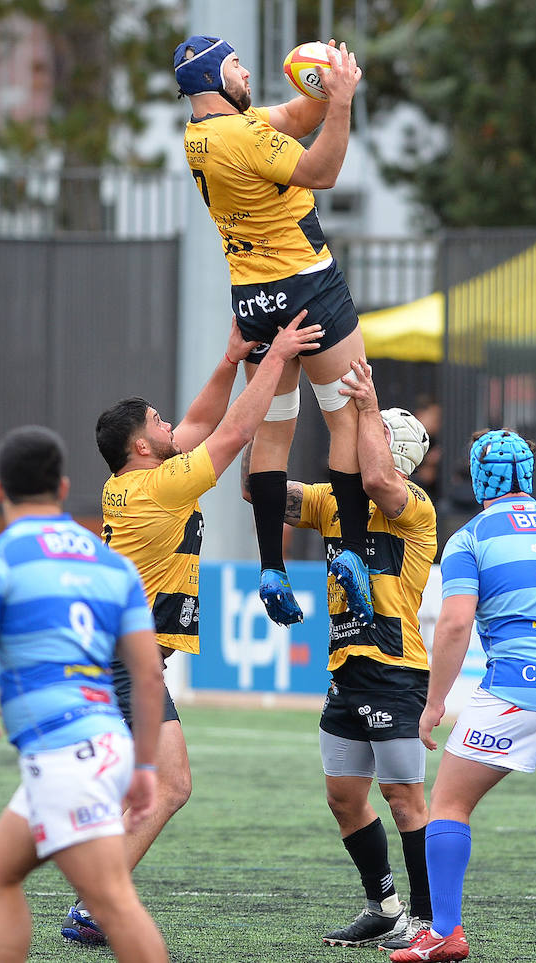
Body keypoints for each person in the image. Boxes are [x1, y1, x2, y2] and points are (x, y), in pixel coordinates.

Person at [59, 315, 320, 946]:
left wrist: (231, 360)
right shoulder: (160, 490)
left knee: (148, 789)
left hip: (120, 659)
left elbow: (200, 428)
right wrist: (278, 356)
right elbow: (230, 435)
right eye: (158, 421)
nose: (172, 425)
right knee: (171, 786)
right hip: (128, 663)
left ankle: (95, 897)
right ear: (143, 447)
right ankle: (98, 905)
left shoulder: (136, 481)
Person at [388, 429, 536, 963]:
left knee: (450, 803)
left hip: (518, 683)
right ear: (529, 473)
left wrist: (433, 706)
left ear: (479, 477)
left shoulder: (472, 538)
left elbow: (454, 625)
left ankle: (445, 933)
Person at [173, 33, 378, 630]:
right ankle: (350, 556)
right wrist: (341, 105)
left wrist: (325, 84)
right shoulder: (241, 135)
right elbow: (323, 169)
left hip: (254, 298)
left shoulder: (205, 134)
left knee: (274, 431)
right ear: (214, 80)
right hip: (309, 285)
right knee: (349, 414)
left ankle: (271, 567)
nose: (246, 74)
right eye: (235, 66)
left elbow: (290, 117)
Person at [0, 426, 169, 963]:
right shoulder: (111, 564)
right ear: (64, 487)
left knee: (111, 900)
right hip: (108, 742)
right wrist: (141, 767)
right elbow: (148, 675)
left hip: (64, 751)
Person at [241, 359, 436, 949]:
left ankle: (427, 921)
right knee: (344, 798)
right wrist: (274, 399)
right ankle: (383, 905)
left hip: (395, 668)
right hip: (346, 670)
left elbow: (376, 482)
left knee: (404, 798)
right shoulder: (331, 502)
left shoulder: (413, 508)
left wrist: (366, 408)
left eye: (375, 440)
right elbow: (259, 489)